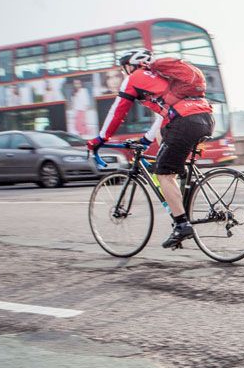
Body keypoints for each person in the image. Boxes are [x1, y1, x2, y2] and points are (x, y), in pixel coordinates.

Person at [87, 49, 214, 249]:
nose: (124, 72)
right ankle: (181, 205)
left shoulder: (135, 78)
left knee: (163, 174)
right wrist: (146, 140)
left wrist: (100, 138)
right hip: (205, 118)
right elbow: (165, 114)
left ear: (131, 65)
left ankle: (182, 225)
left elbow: (117, 111)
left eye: (125, 68)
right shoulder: (163, 76)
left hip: (184, 121)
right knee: (170, 160)